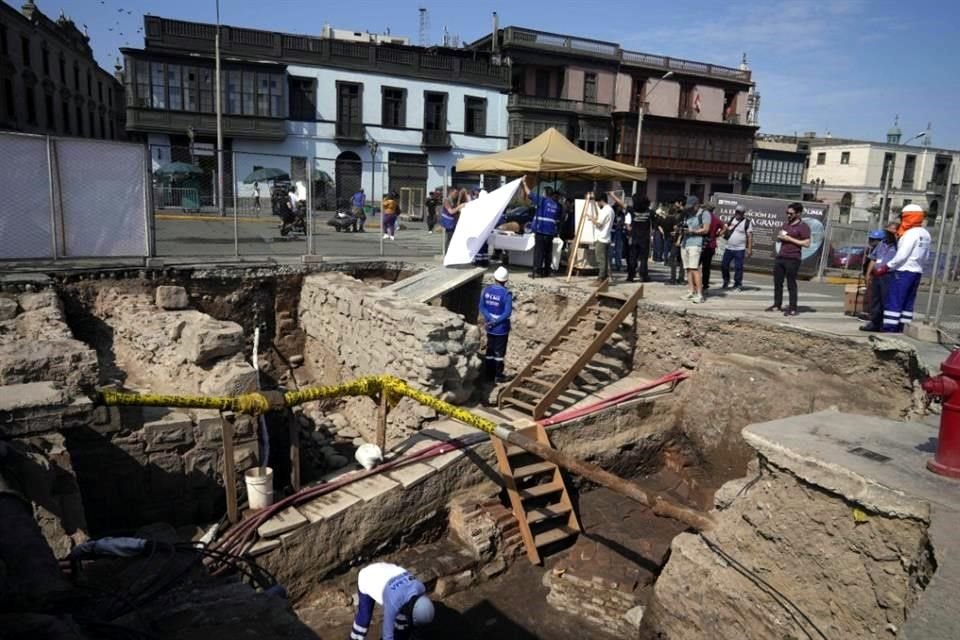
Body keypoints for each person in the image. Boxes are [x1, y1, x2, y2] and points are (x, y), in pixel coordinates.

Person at [878, 204, 932, 332]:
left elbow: (902, 255)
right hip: (917, 271)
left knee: (895, 299)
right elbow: (927, 255)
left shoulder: (910, 233)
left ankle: (889, 327)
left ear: (908, 217)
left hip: (903, 271)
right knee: (908, 301)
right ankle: (903, 327)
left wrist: (886, 266)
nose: (901, 220)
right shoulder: (925, 234)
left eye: (903, 217)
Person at [351, 562, 434, 640]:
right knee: (364, 618)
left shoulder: (420, 587)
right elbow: (387, 636)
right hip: (368, 578)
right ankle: (354, 638)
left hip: (386, 571)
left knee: (403, 624)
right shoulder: (393, 603)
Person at [766, 202, 811, 316]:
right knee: (777, 282)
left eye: (791, 213)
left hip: (793, 258)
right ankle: (777, 304)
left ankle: (792, 307)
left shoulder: (803, 226)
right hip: (781, 256)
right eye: (787, 213)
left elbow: (806, 243)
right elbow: (782, 237)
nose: (788, 215)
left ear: (798, 213)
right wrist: (780, 238)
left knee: (791, 283)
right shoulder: (786, 225)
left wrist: (789, 238)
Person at [860, 224, 898, 332]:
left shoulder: (898, 245)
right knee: (875, 299)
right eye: (887, 232)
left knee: (886, 299)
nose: (889, 234)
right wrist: (868, 274)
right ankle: (874, 323)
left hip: (889, 275)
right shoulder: (882, 243)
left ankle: (886, 324)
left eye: (891, 232)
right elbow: (873, 258)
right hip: (877, 274)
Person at [521, 178, 561, 278]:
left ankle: (537, 271)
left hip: (541, 230)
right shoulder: (557, 205)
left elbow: (529, 194)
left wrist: (524, 183)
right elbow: (558, 218)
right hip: (550, 232)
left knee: (539, 252)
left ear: (545, 193)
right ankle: (547, 271)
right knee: (548, 252)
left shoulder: (542, 201)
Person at [479, 266, 513, 383]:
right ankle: (498, 375)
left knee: (490, 350)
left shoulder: (486, 290)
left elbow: (482, 307)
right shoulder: (506, 294)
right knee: (499, 353)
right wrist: (496, 321)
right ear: (506, 280)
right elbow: (507, 312)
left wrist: (490, 320)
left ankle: (488, 374)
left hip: (489, 327)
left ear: (494, 277)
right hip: (501, 328)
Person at [680, 195, 710, 303]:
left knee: (694, 268)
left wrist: (693, 231)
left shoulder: (704, 214)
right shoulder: (688, 213)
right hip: (685, 243)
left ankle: (699, 294)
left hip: (695, 243)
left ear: (697, 204)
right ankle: (691, 291)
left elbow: (706, 230)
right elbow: (686, 226)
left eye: (692, 206)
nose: (690, 208)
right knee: (687, 268)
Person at [618, 192, 652, 282]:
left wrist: (613, 196)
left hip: (634, 237)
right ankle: (643, 276)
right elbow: (658, 220)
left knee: (632, 258)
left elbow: (622, 204)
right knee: (644, 259)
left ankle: (630, 276)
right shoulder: (649, 212)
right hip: (645, 238)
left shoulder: (632, 210)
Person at [720, 204, 753, 291]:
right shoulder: (731, 219)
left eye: (739, 212)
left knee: (738, 267)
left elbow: (749, 236)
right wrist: (724, 229)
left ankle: (737, 284)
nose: (737, 213)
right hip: (729, 247)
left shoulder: (747, 222)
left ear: (743, 213)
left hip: (740, 249)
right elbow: (724, 231)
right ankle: (726, 281)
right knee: (724, 265)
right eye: (736, 211)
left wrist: (749, 249)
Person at [588, 192, 614, 281]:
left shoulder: (605, 210)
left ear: (601, 200)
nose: (597, 204)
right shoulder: (611, 210)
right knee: (605, 259)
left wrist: (591, 219)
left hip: (601, 238)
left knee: (601, 260)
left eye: (598, 202)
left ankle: (601, 278)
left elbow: (599, 224)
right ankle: (605, 277)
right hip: (606, 237)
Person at [699, 204, 724, 291]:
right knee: (706, 266)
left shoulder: (703, 217)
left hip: (702, 244)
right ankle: (705, 284)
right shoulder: (716, 219)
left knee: (696, 265)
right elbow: (724, 227)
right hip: (711, 244)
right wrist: (718, 234)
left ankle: (696, 283)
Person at [660, 205, 683, 285]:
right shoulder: (675, 219)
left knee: (673, 258)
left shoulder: (667, 218)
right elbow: (677, 228)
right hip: (676, 240)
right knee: (678, 259)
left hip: (673, 240)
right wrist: (676, 232)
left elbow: (660, 226)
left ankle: (674, 279)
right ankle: (679, 279)